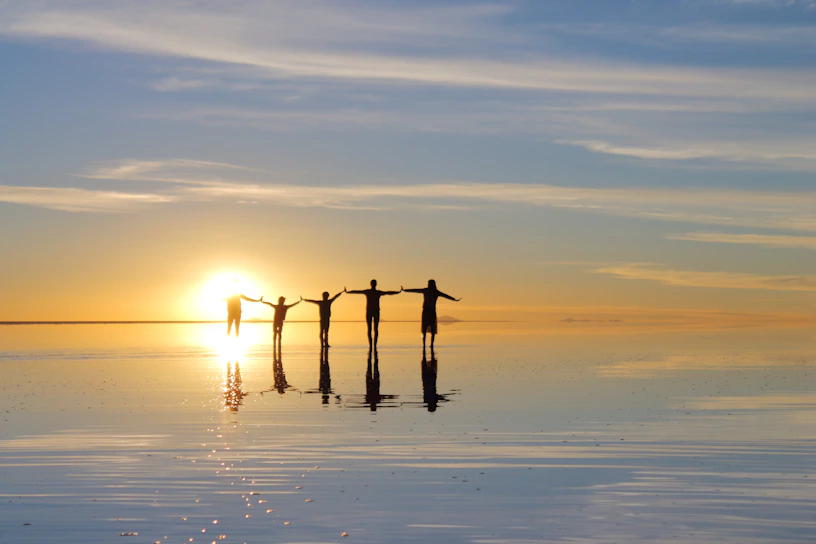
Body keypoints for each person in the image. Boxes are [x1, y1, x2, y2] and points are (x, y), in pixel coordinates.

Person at [401, 279, 460, 348]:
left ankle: (430, 344)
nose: (429, 285)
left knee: (431, 328)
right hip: (427, 311)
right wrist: (405, 290)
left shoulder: (433, 292)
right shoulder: (430, 291)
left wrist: (454, 299)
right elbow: (416, 290)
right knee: (426, 328)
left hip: (430, 311)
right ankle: (427, 344)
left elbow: (445, 295)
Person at [345, 280, 400, 347]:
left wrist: (397, 292)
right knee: (373, 329)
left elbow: (388, 293)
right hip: (371, 311)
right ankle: (372, 345)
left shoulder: (374, 292)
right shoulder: (373, 292)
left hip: (373, 311)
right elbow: (357, 291)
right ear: (375, 284)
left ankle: (372, 345)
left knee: (372, 329)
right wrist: (348, 292)